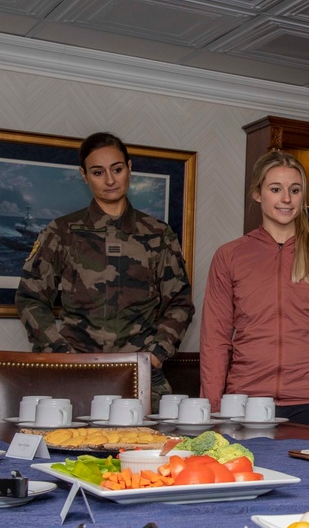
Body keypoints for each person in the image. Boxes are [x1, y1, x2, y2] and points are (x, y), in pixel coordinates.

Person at [16, 132, 194, 411]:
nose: (110, 180)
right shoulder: (62, 232)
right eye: (98, 172)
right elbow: (30, 298)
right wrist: (62, 354)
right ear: (84, 175)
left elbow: (180, 302)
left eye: (117, 169)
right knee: (65, 451)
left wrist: (156, 355)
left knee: (148, 453)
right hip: (73, 374)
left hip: (141, 377)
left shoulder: (158, 234)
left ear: (129, 168)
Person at [200, 150, 309, 427]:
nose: (286, 199)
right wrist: (210, 407)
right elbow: (215, 338)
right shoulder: (230, 256)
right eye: (275, 189)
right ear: (257, 193)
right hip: (244, 402)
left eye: (295, 190)